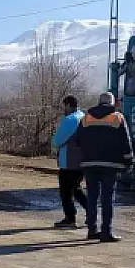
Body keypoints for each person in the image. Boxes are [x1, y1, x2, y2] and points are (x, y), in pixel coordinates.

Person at [76, 91, 133, 242]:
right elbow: (125, 142)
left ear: (99, 102)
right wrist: (129, 161)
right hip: (110, 164)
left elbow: (77, 140)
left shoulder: (86, 118)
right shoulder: (117, 117)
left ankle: (91, 230)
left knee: (92, 197)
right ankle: (106, 232)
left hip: (89, 163)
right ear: (113, 103)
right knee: (107, 198)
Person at [50, 95, 87, 229]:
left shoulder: (70, 119)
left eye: (64, 106)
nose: (63, 109)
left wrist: (54, 142)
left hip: (69, 160)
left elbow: (57, 140)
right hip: (81, 159)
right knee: (76, 189)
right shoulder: (83, 117)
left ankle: (70, 219)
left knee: (66, 191)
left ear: (68, 105)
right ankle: (91, 213)